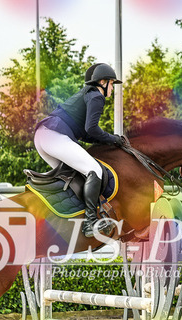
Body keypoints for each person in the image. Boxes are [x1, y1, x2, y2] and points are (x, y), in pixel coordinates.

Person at [34, 63, 125, 238]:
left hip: (43, 136)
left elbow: (86, 134)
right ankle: (90, 223)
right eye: (112, 84)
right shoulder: (96, 96)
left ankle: (67, 217)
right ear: (103, 82)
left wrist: (110, 141)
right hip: (54, 135)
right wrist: (114, 139)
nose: (112, 88)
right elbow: (92, 129)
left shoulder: (86, 95)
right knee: (95, 170)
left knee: (74, 177)